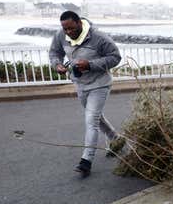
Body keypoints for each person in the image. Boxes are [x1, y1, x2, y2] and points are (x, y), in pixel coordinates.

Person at [49, 11, 125, 177]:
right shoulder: (60, 35)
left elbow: (115, 57)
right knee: (95, 116)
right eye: (65, 28)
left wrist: (90, 65)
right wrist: (58, 65)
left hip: (100, 84)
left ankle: (86, 161)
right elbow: (54, 52)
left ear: (79, 23)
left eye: (70, 28)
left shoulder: (98, 37)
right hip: (80, 84)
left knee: (91, 120)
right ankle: (116, 138)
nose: (67, 32)